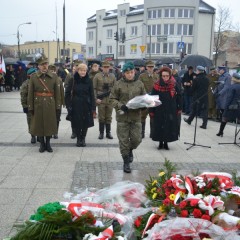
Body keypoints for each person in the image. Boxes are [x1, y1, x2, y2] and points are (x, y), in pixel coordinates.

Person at [110, 62, 146, 173]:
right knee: (123, 141)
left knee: (137, 139)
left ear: (134, 72)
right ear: (124, 73)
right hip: (122, 117)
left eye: (131, 72)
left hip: (136, 117)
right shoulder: (118, 84)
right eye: (127, 73)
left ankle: (130, 149)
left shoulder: (139, 84)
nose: (130, 74)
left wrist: (145, 105)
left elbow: (144, 97)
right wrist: (121, 106)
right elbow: (112, 99)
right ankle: (126, 162)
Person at [27, 54, 61, 153]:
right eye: (42, 64)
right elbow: (30, 93)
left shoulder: (54, 76)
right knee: (39, 124)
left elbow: (57, 93)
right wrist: (30, 106)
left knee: (50, 124)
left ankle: (48, 143)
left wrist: (58, 105)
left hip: (50, 104)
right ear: (38, 66)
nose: (44, 66)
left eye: (45, 63)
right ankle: (42, 143)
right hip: (38, 104)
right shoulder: (33, 77)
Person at [149, 66, 182, 150]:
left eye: (167, 76)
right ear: (161, 76)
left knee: (168, 125)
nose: (165, 78)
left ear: (170, 75)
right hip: (159, 109)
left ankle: (166, 142)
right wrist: (151, 110)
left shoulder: (174, 84)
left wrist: (179, 107)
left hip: (171, 108)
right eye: (163, 76)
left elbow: (180, 95)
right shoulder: (157, 84)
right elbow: (152, 97)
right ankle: (160, 142)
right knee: (159, 125)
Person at [65, 63, 95, 147]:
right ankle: (78, 139)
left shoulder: (89, 80)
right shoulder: (73, 80)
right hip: (76, 104)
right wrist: (68, 105)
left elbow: (92, 94)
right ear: (78, 70)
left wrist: (93, 107)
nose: (83, 72)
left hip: (86, 104)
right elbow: (67, 93)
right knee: (77, 122)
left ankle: (83, 138)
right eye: (81, 70)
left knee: (85, 122)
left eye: (84, 70)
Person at [93, 60, 116, 140]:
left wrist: (113, 97)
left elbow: (115, 88)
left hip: (109, 99)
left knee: (109, 117)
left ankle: (108, 133)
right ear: (102, 68)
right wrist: (96, 99)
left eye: (107, 67)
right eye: (104, 67)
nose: (106, 69)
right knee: (101, 117)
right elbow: (94, 88)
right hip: (101, 99)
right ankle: (101, 133)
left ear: (110, 67)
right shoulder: (97, 76)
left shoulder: (113, 76)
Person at [138, 60, 158, 138]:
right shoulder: (142, 76)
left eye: (152, 67)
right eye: (149, 67)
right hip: (145, 99)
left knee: (153, 116)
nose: (150, 68)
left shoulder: (156, 76)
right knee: (143, 116)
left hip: (153, 99)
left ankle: (152, 133)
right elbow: (139, 87)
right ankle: (142, 133)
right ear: (146, 67)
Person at [216, 72, 240, 137]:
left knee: (224, 118)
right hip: (239, 106)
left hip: (231, 106)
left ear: (234, 79)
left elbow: (229, 98)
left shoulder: (232, 87)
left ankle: (220, 132)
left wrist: (226, 107)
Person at [64, 59, 82, 139]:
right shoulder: (70, 75)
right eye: (76, 66)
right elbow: (66, 85)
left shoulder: (83, 74)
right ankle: (74, 132)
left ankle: (80, 131)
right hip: (71, 99)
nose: (77, 67)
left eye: (78, 66)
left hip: (80, 100)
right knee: (72, 117)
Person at [20, 67, 37, 144]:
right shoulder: (26, 84)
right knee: (30, 121)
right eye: (34, 74)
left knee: (38, 121)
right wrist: (24, 106)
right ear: (29, 75)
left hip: (38, 105)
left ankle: (39, 135)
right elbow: (23, 96)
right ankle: (32, 136)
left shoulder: (38, 82)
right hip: (29, 106)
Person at [48, 64, 65, 139]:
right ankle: (50, 132)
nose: (53, 72)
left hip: (58, 102)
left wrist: (63, 102)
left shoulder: (59, 80)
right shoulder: (47, 79)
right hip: (49, 102)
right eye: (51, 71)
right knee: (50, 118)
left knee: (57, 118)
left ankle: (55, 132)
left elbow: (62, 91)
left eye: (54, 71)